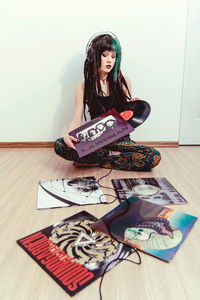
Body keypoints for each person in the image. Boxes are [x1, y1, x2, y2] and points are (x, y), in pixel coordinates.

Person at [54, 32, 161, 171]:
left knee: (153, 156)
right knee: (59, 145)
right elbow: (76, 121)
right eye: (105, 55)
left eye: (113, 56)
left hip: (121, 141)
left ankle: (99, 161)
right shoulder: (83, 87)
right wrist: (68, 135)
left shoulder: (124, 82)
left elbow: (127, 117)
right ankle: (111, 157)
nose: (110, 60)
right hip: (97, 141)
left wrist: (135, 106)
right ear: (94, 56)